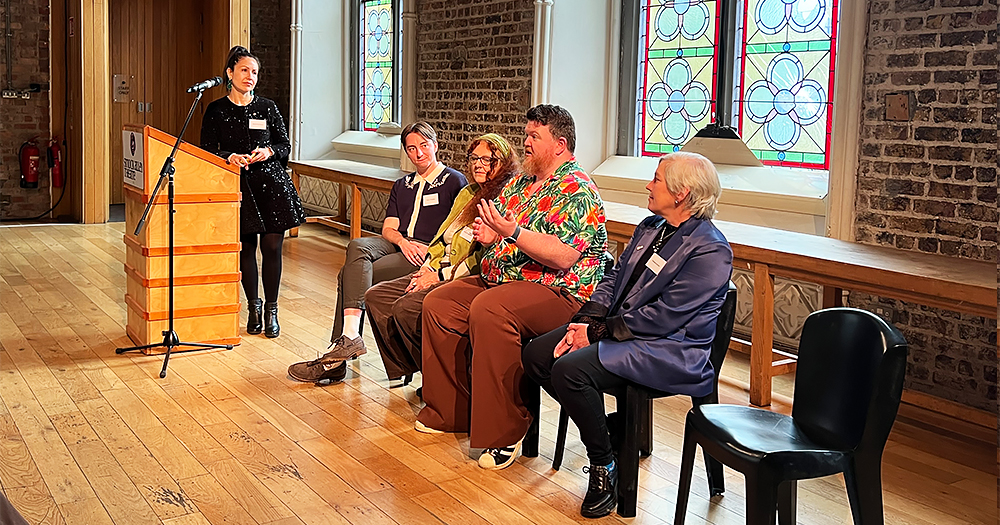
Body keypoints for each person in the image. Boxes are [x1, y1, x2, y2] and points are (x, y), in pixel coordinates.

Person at [521, 152, 733, 518]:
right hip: (628, 332)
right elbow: (613, 279)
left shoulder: (711, 248)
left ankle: (603, 463)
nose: (649, 185)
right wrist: (586, 320)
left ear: (681, 193)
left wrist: (598, 332)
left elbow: (666, 317)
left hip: (671, 348)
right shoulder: (652, 226)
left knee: (569, 371)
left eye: (656, 179)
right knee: (537, 354)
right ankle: (611, 434)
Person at [415, 104, 608, 471]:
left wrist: (512, 233)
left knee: (492, 308)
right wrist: (488, 234)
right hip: (504, 278)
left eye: (535, 136)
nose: (527, 142)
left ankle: (505, 430)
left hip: (558, 291)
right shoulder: (521, 182)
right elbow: (495, 227)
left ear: (560, 144)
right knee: (440, 303)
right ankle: (452, 410)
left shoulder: (577, 189)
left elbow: (564, 256)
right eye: (527, 134)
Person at [286, 122, 467, 385]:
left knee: (347, 274)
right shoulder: (402, 184)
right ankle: (348, 338)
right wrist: (403, 242)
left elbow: (456, 229)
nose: (419, 154)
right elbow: (388, 228)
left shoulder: (453, 181)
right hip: (400, 244)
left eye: (424, 146)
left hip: (427, 253)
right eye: (412, 148)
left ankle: (338, 356)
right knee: (357, 246)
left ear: (435, 145)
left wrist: (430, 250)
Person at [365, 133, 519, 388]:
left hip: (464, 278)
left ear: (502, 162)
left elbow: (480, 258)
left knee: (405, 308)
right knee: (376, 297)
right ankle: (422, 369)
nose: (478, 164)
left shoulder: (505, 198)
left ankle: (444, 383)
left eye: (486, 159)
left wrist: (438, 277)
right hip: (436, 268)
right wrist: (427, 268)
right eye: (474, 158)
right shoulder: (467, 193)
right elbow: (440, 240)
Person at [200, 46, 305, 339]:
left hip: (272, 186)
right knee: (246, 250)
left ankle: (272, 309)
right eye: (244, 70)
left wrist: (269, 150)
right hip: (238, 186)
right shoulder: (215, 110)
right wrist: (228, 156)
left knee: (272, 249)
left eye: (255, 72)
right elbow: (206, 149)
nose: (250, 76)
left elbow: (284, 145)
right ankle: (253, 307)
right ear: (230, 72)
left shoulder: (268, 107)